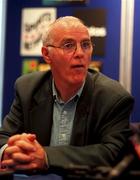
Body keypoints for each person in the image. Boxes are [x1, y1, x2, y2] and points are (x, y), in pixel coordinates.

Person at [0, 16, 134, 172]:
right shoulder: (27, 88)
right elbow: (4, 137)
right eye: (69, 45)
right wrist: (11, 151)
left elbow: (112, 154)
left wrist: (46, 157)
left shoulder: (114, 98)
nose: (80, 53)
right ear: (46, 54)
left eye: (85, 45)